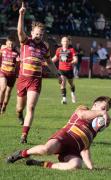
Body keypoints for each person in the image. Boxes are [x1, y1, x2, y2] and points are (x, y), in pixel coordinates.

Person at [7, 96, 111, 171]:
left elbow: (85, 149)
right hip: (65, 137)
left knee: (76, 165)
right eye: (103, 108)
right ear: (95, 105)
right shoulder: (83, 108)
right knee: (46, 150)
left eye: (107, 110)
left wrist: (91, 167)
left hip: (74, 149)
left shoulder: (95, 128)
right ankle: (22, 153)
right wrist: (101, 112)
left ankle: (42, 164)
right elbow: (82, 115)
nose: (105, 112)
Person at [16, 3, 61, 143]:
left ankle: (24, 135)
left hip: (35, 80)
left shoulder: (44, 47)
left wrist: (58, 74)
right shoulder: (26, 42)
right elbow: (19, 32)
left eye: (41, 34)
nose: (38, 36)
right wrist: (21, 15)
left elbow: (49, 62)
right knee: (20, 107)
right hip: (23, 79)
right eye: (36, 34)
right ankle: (19, 114)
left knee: (31, 107)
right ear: (32, 33)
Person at [52, 36, 78, 104]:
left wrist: (74, 61)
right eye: (64, 41)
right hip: (61, 70)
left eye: (66, 41)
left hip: (69, 70)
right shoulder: (58, 50)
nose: (65, 42)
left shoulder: (71, 50)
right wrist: (47, 62)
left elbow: (75, 58)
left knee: (71, 84)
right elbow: (55, 58)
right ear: (61, 42)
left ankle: (73, 93)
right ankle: (64, 99)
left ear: (68, 42)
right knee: (63, 83)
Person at [0, 37, 19, 114]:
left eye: (12, 43)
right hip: (3, 72)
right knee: (3, 88)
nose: (11, 45)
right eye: (9, 43)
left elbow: (18, 64)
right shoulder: (2, 49)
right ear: (6, 42)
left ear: (15, 44)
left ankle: (5, 105)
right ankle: (0, 105)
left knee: (8, 92)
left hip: (12, 75)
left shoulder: (17, 52)